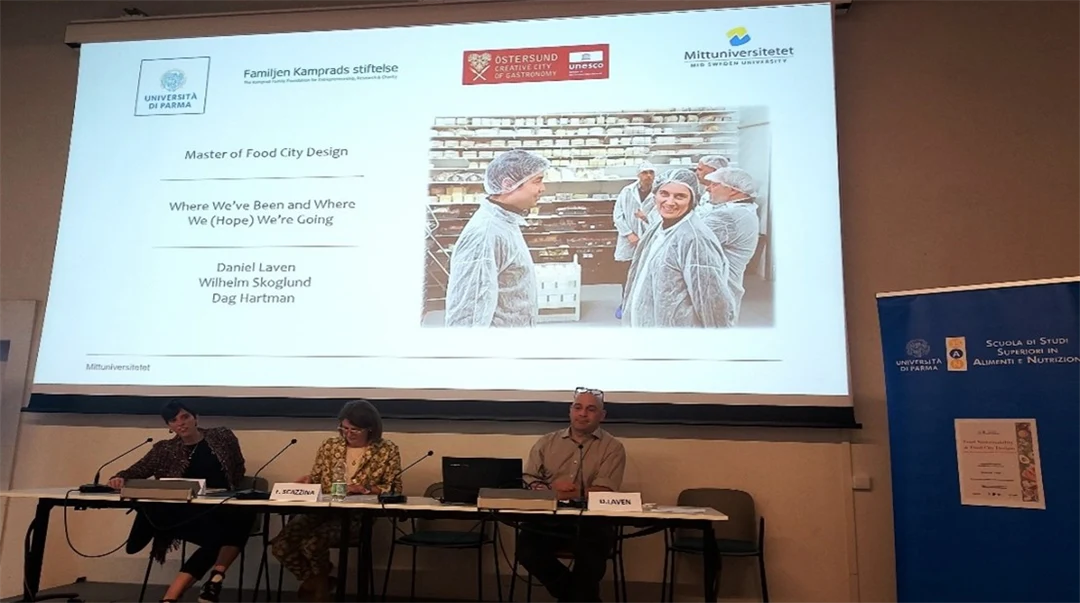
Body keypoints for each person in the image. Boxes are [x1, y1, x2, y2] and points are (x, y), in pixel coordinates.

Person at [109, 401, 251, 603]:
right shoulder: (164, 449)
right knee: (224, 533)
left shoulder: (222, 436)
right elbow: (135, 471)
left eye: (185, 417)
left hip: (217, 506)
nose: (181, 423)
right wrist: (119, 477)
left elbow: (238, 468)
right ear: (169, 426)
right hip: (181, 512)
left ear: (196, 417)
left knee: (243, 514)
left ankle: (173, 597)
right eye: (173, 420)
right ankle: (213, 580)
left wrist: (221, 491)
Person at [271, 400, 401, 603]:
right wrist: (305, 484)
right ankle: (317, 581)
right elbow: (317, 479)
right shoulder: (330, 446)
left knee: (312, 543)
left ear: (370, 429)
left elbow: (394, 489)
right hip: (322, 509)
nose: (348, 434)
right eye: (344, 428)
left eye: (355, 430)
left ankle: (320, 592)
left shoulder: (386, 449)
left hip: (357, 516)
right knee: (281, 544)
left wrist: (364, 488)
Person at [519, 388, 626, 603]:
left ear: (602, 416)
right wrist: (546, 491)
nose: (583, 414)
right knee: (526, 549)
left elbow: (604, 491)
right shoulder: (546, 442)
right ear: (570, 411)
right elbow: (528, 479)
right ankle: (578, 598)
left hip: (592, 522)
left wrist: (570, 492)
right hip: (549, 519)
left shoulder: (613, 448)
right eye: (578, 407)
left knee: (592, 558)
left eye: (591, 409)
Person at [444, 149, 550, 327]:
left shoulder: (505, 221)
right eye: (537, 181)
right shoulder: (484, 234)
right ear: (508, 184)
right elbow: (468, 313)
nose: (543, 188)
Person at [622, 168, 736, 328]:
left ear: (692, 200)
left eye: (680, 196)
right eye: (664, 194)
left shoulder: (694, 239)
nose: (669, 202)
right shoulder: (659, 227)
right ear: (655, 195)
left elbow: (711, 302)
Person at [702, 168, 762, 321]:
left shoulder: (729, 216)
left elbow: (686, 241)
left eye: (714, 185)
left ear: (733, 190)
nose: (708, 188)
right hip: (720, 288)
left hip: (716, 290)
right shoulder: (742, 210)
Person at [613, 163, 656, 319]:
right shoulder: (627, 192)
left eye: (651, 172)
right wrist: (629, 234)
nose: (648, 176)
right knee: (627, 273)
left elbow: (661, 218)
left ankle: (643, 304)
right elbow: (618, 215)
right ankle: (625, 303)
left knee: (647, 272)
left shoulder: (659, 193)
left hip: (650, 238)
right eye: (645, 173)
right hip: (628, 240)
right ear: (639, 175)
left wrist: (646, 218)